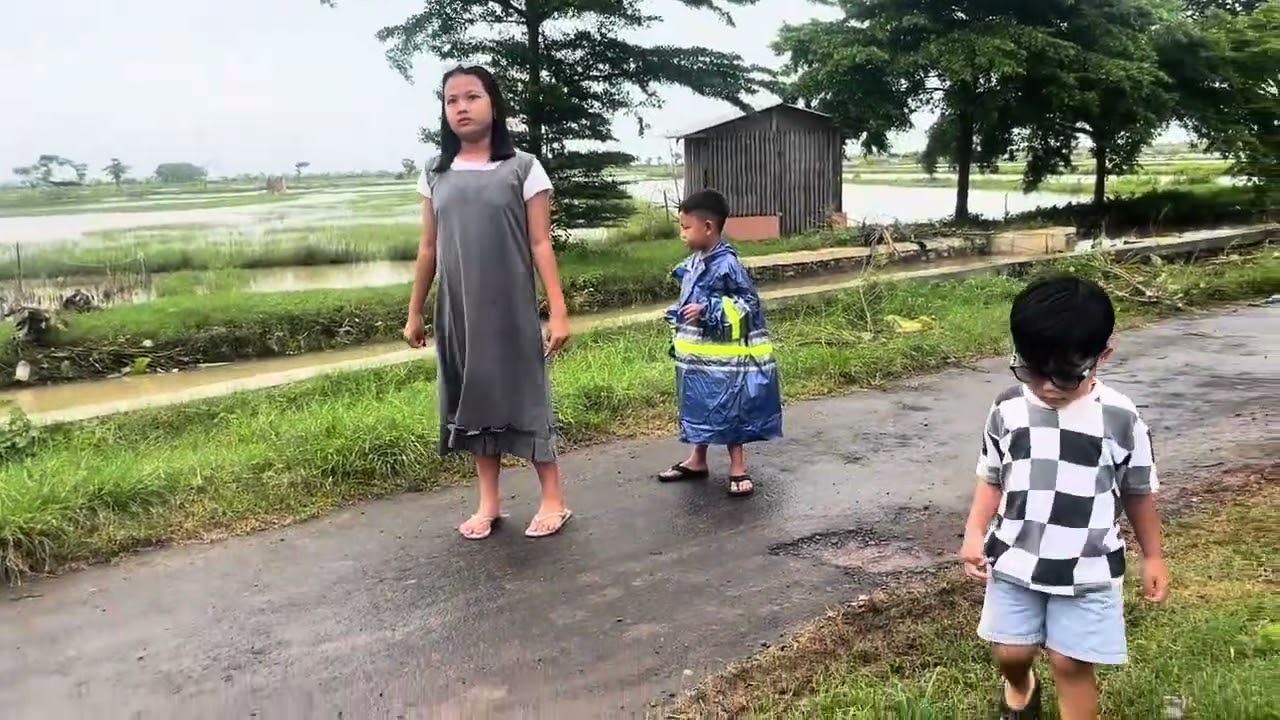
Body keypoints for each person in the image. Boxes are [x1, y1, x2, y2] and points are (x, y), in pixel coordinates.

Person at [959, 275, 1169, 719]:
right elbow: (992, 476)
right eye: (1034, 371)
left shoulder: (1119, 418)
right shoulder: (1007, 409)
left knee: (1070, 663)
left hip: (1088, 566)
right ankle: (1021, 685)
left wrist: (1154, 556)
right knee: (1010, 653)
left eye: (1068, 373)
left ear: (1103, 355)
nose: (1050, 386)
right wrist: (974, 532)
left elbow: (1137, 492)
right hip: (1015, 559)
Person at [405, 65, 573, 540]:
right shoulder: (435, 173)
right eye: (451, 99)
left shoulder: (522, 167)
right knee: (473, 399)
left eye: (472, 96)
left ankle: (553, 499)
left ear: (493, 104)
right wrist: (416, 311)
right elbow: (428, 250)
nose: (461, 106)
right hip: (458, 313)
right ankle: (489, 503)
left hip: (513, 310)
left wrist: (557, 311)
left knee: (526, 396)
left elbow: (542, 244)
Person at [655, 189, 783, 497]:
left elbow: (747, 303)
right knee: (699, 402)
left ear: (708, 227)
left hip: (727, 359)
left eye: (686, 227)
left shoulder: (728, 264)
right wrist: (680, 313)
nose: (681, 233)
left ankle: (737, 466)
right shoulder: (695, 262)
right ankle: (697, 459)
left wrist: (708, 310)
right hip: (698, 356)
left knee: (729, 405)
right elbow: (691, 299)